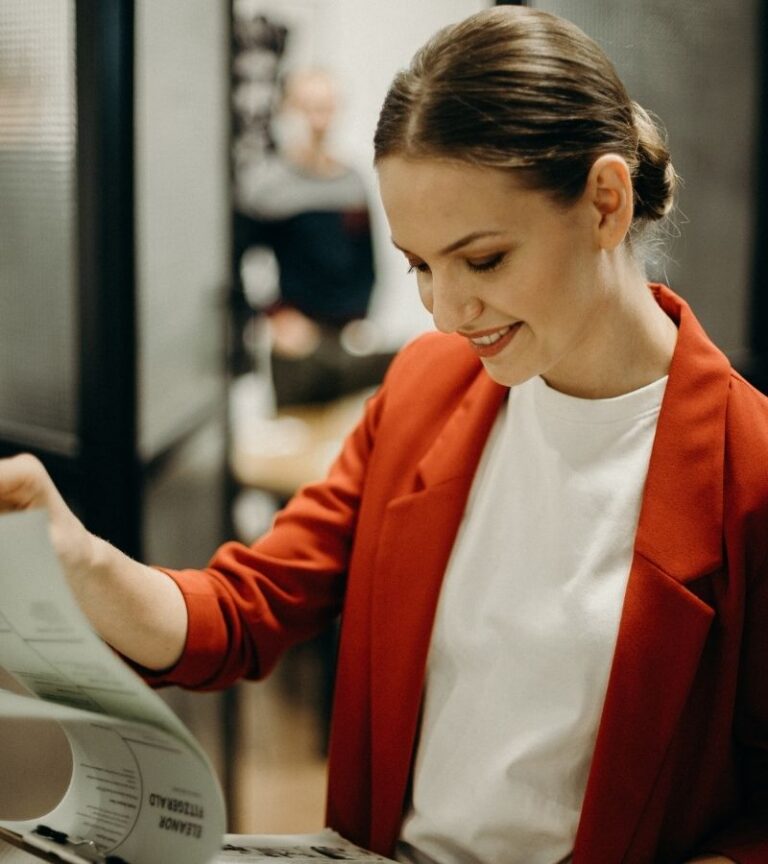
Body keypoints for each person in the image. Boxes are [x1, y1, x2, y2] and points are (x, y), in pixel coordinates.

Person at [0, 7, 766, 863]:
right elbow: (248, 610)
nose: (445, 311)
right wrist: (79, 557)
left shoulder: (751, 472)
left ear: (605, 203)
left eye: (482, 261)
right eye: (419, 267)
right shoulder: (425, 390)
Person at [234, 67, 393, 406]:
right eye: (307, 108)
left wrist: (362, 318)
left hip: (348, 337)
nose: (318, 121)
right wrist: (274, 317)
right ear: (286, 111)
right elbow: (237, 264)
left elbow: (367, 261)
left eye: (326, 108)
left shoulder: (352, 182)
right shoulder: (265, 186)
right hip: (295, 343)